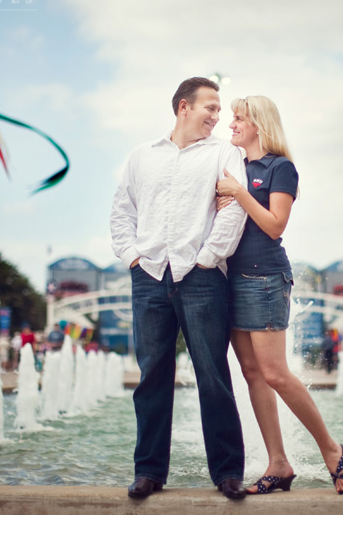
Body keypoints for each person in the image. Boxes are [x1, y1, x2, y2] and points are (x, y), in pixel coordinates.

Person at [110, 77, 249, 500]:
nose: (217, 116)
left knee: (213, 373)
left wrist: (206, 259)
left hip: (202, 276)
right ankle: (149, 471)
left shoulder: (225, 153)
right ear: (183, 107)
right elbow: (121, 211)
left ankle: (228, 473)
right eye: (210, 107)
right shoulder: (141, 157)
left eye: (220, 109)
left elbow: (234, 211)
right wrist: (133, 257)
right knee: (152, 375)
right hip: (149, 274)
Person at [216, 95, 343, 495]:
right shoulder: (234, 166)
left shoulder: (280, 168)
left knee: (275, 372)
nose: (232, 125)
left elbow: (275, 226)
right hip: (231, 279)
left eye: (239, 119)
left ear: (259, 123)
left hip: (265, 278)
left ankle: (331, 449)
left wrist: (239, 194)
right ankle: (278, 464)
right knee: (252, 373)